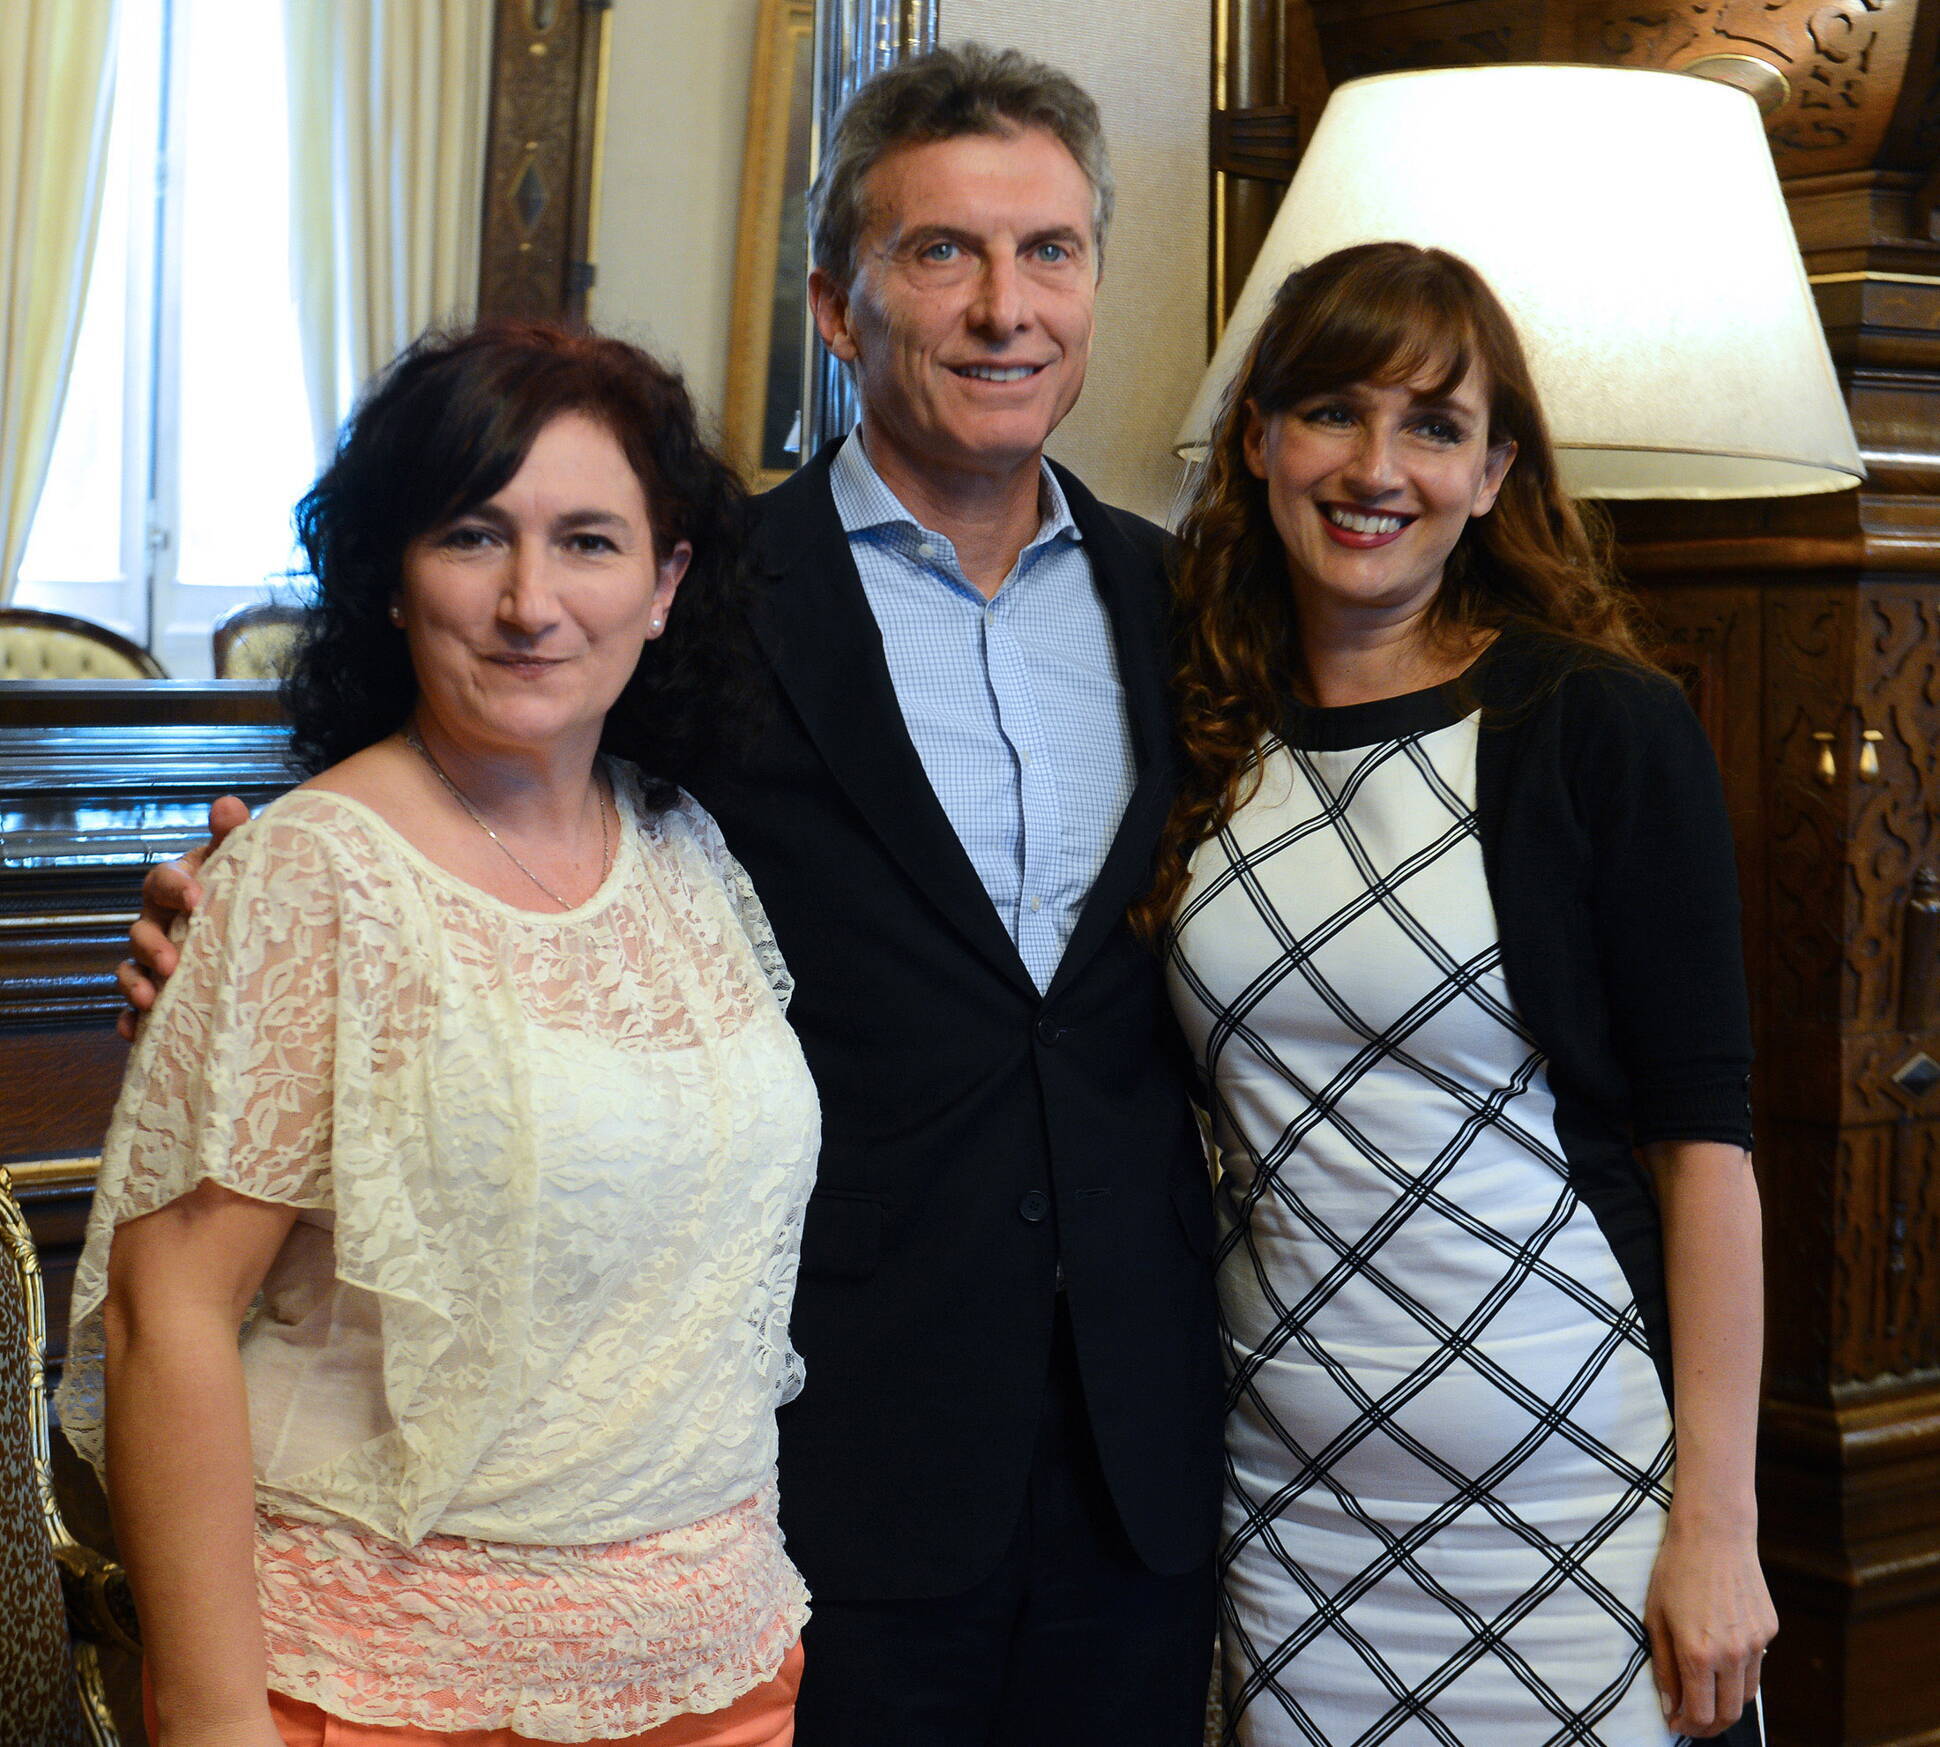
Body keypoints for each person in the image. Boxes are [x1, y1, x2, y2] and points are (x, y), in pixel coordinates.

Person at [123, 44, 1223, 1747]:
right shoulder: (686, 590)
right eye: (941, 252)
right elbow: (462, 778)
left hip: (1132, 1466)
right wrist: (231, 916)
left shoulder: (1191, 607)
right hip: (823, 1472)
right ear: (837, 307)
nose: (1007, 306)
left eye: (1052, 252)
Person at [68, 321, 819, 1747]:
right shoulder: (315, 873)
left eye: (590, 542)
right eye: (476, 536)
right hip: (383, 1689)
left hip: (715, 1674)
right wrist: (216, 1725)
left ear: (665, 586)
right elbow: (163, 1316)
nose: (532, 601)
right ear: (393, 582)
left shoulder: (685, 853)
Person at [1134, 240, 1777, 1746]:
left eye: (1434, 426)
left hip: (1584, 1508)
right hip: (1290, 1519)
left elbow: (1708, 1150)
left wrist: (1719, 1525)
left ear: (1494, 473)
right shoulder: (1193, 715)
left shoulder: (1599, 725)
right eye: (1332, 412)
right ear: (1256, 440)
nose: (1377, 467)